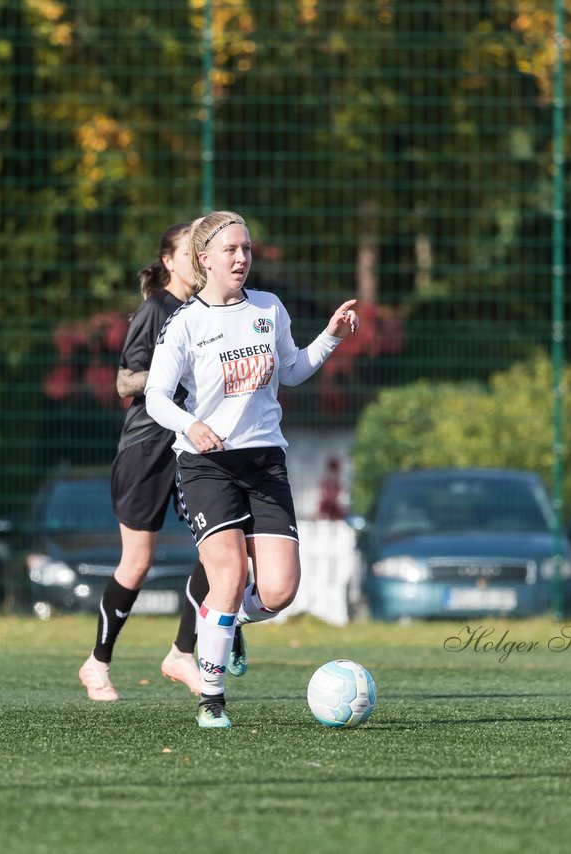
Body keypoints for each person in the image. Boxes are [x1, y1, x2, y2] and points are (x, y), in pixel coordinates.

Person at [143, 210, 360, 728]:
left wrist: (329, 336)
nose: (242, 258)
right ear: (205, 259)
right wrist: (192, 426)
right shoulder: (185, 323)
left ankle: (227, 622)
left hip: (265, 462)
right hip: (206, 467)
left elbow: (291, 370)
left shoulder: (268, 307)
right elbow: (155, 396)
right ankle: (211, 699)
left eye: (246, 249)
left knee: (280, 592)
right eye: (231, 250)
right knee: (229, 574)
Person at [77, 221, 245, 701]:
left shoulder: (208, 310)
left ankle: (182, 651)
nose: (198, 258)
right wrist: (175, 370)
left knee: (220, 554)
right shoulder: (157, 309)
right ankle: (97, 664)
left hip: (192, 449)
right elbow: (125, 383)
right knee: (138, 560)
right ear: (170, 262)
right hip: (148, 448)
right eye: (188, 251)